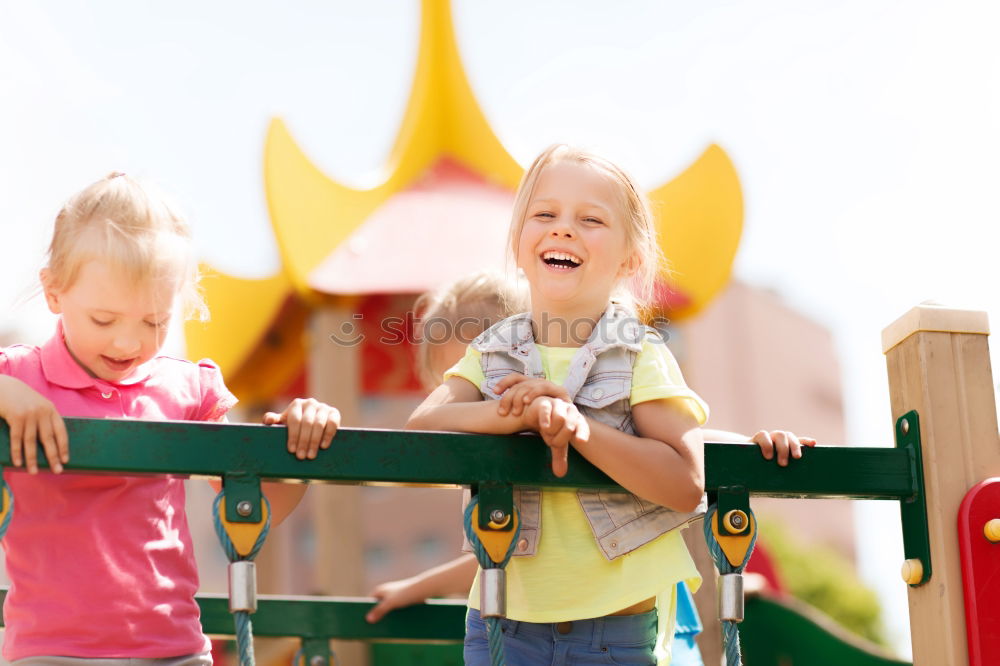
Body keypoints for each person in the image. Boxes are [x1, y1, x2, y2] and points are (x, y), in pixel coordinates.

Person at [406, 145, 811, 665]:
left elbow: (684, 483)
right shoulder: (490, 352)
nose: (563, 229)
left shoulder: (639, 352)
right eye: (544, 214)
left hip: (613, 631)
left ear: (631, 259)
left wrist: (579, 429)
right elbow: (423, 431)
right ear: (519, 240)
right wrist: (513, 413)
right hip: (501, 622)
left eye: (590, 219)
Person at [0, 172, 340, 664]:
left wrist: (300, 438)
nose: (128, 343)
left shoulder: (186, 388)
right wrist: (7, 391)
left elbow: (256, 509)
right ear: (54, 293)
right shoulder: (22, 374)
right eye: (104, 320)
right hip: (52, 650)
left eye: (154, 321)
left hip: (173, 648)